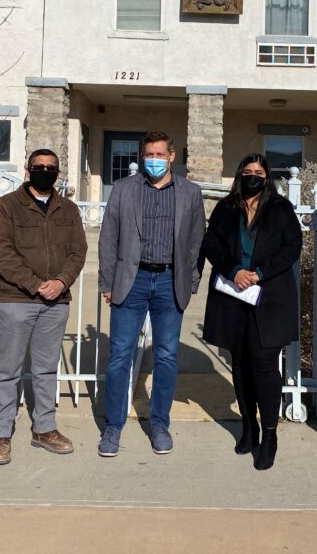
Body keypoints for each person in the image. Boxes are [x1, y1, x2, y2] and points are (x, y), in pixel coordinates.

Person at [97, 131, 205, 457]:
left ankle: (160, 424)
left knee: (167, 356)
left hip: (170, 282)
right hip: (133, 280)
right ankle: (113, 427)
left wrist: (191, 281)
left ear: (172, 156)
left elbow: (197, 241)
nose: (154, 160)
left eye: (160, 154)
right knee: (119, 355)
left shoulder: (190, 192)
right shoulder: (124, 189)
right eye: (149, 154)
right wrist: (107, 282)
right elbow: (108, 237)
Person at [0, 149, 88, 466]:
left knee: (45, 369)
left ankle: (44, 428)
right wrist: (33, 284)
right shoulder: (7, 206)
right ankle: (1, 435)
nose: (45, 171)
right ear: (28, 169)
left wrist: (61, 282)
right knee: (9, 369)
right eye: (39, 166)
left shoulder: (68, 209)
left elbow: (78, 251)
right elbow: (0, 252)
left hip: (55, 301)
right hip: (16, 299)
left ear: (58, 172)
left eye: (51, 168)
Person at [201, 154, 302, 470]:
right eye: (247, 172)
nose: (253, 176)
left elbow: (292, 247)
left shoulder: (281, 209)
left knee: (265, 364)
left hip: (269, 296)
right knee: (240, 362)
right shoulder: (226, 208)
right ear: (238, 175)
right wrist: (233, 270)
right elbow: (211, 244)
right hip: (232, 295)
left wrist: (258, 273)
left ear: (268, 176)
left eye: (259, 172)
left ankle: (270, 433)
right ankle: (249, 426)